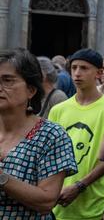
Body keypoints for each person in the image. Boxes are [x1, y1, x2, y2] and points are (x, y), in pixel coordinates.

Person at [0, 48, 78, 218]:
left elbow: (46, 201)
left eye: (7, 80)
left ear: (31, 90)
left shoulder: (50, 135)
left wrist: (2, 178)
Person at [48, 48, 104, 220]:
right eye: (74, 68)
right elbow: (50, 155)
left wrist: (80, 185)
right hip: (57, 202)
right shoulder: (58, 110)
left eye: (84, 68)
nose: (77, 73)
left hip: (95, 204)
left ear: (99, 73)